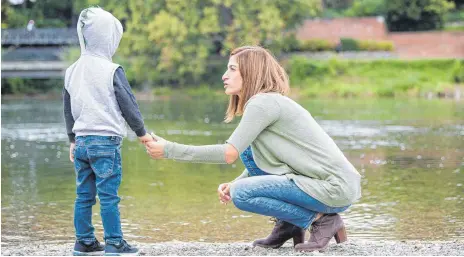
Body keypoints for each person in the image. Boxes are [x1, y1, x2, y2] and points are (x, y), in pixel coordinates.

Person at [145, 45, 361, 252]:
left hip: (333, 188)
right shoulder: (267, 103)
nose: (224, 76)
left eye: (232, 69)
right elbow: (262, 161)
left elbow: (228, 154)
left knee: (242, 194)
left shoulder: (262, 104)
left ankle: (321, 220)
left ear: (251, 72)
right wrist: (234, 182)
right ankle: (290, 224)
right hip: (329, 186)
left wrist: (169, 150)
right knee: (244, 163)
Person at [63, 7, 153, 256]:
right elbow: (128, 105)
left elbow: (68, 109)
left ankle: (83, 242)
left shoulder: (71, 70)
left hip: (81, 142)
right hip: (105, 142)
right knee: (108, 195)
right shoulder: (112, 69)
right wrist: (142, 132)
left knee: (83, 195)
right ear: (108, 38)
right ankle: (114, 242)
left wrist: (72, 139)